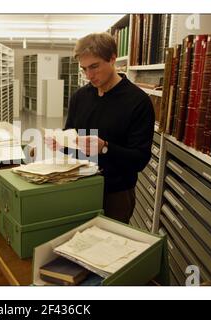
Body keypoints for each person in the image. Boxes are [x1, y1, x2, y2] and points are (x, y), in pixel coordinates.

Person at [46, 32, 155, 223]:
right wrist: (60, 143)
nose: (89, 75)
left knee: (109, 248)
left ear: (112, 58)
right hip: (78, 185)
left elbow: (140, 159)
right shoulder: (79, 97)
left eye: (94, 67)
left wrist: (105, 147)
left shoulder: (138, 101)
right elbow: (70, 133)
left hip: (116, 194)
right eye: (84, 69)